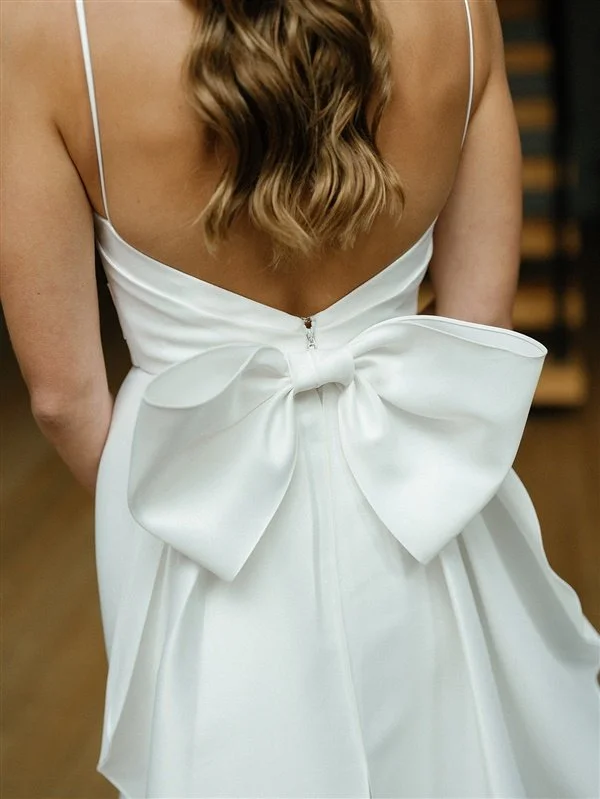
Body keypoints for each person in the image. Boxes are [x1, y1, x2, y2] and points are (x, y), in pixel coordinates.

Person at [2, 0, 599, 796]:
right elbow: (479, 321)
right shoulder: (460, 11)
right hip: (419, 504)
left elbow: (63, 398)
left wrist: (185, 494)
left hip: (205, 543)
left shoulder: (47, 26)